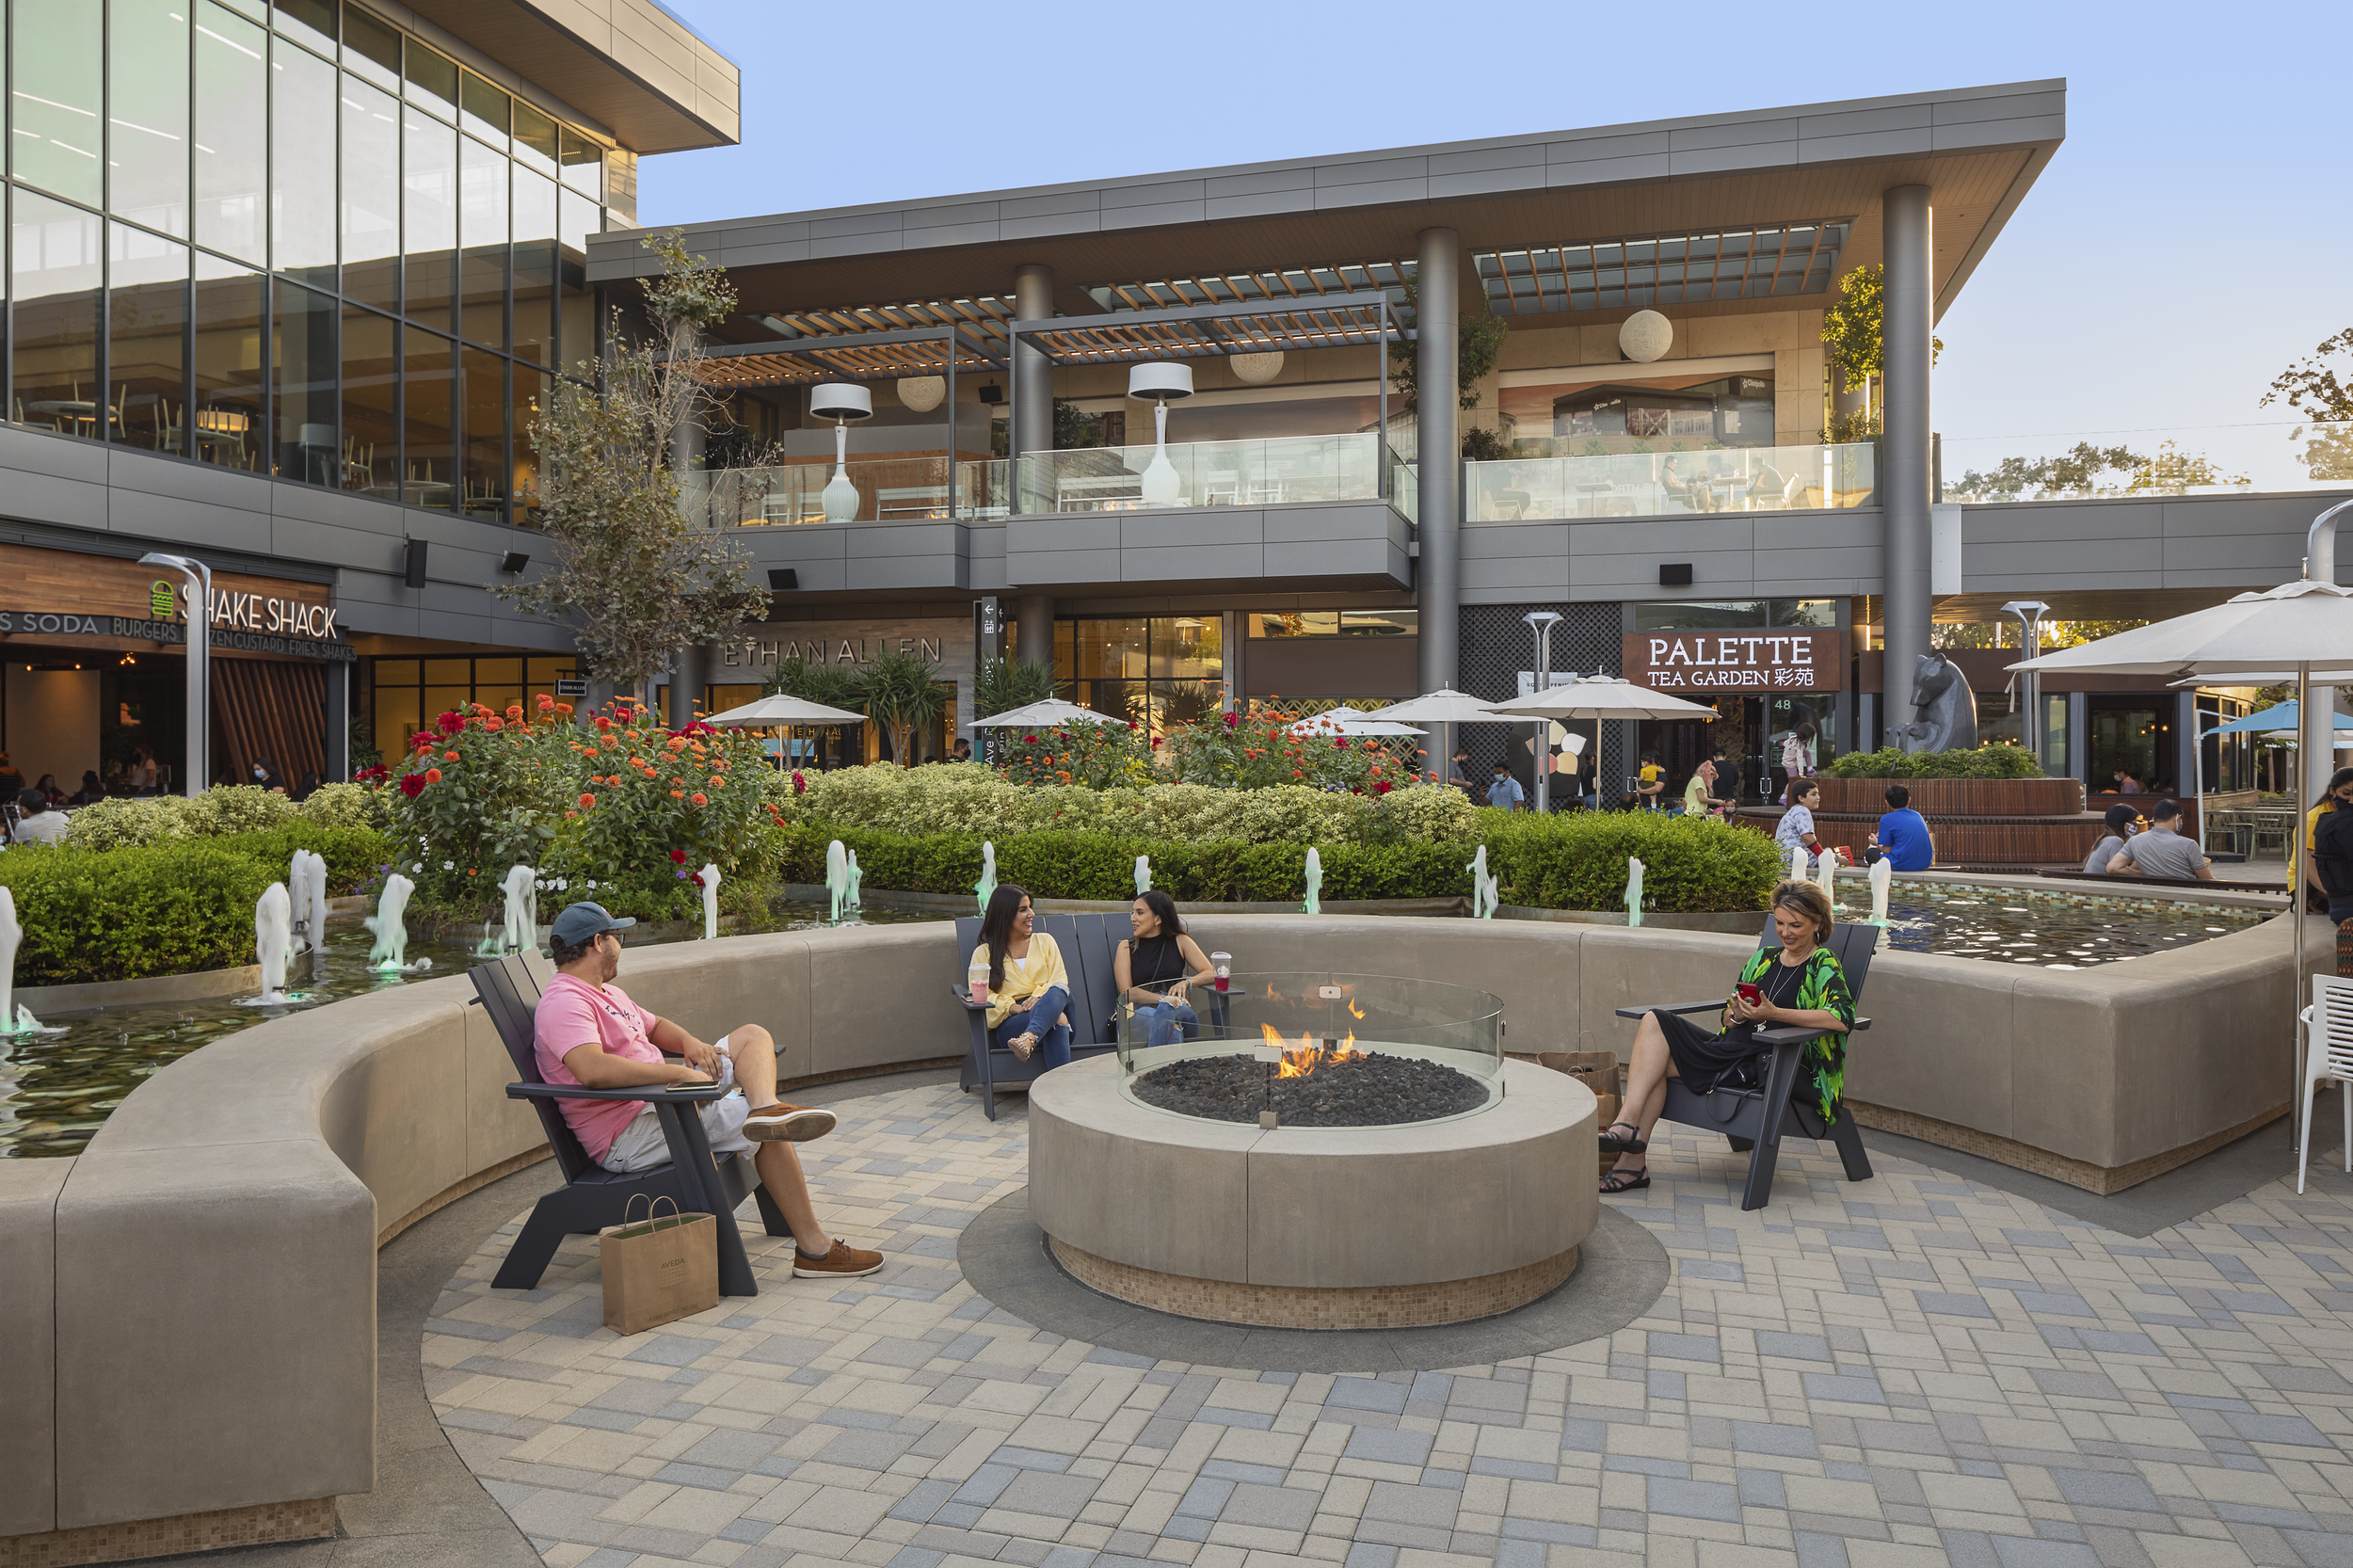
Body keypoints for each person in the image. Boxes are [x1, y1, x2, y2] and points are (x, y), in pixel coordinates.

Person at [532, 900, 882, 1279]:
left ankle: (766, 1106)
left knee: (751, 1037)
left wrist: (691, 1045)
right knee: (764, 1130)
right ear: (599, 942)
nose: (622, 945)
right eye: (618, 936)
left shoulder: (605, 993)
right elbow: (591, 1070)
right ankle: (815, 1251)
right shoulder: (565, 1002)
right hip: (633, 1129)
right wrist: (676, 1076)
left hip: (662, 1102)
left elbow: (653, 1026)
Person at [1600, 880, 1854, 1193]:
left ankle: (1630, 1156)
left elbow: (1841, 1018)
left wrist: (1774, 1014)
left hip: (1766, 1063)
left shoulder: (1822, 964)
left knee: (1653, 1071)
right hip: (1728, 1048)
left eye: (1796, 925)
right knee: (1655, 1019)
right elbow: (1727, 1018)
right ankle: (1626, 1129)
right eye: (1779, 923)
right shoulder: (1763, 959)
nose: (1785, 932)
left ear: (1817, 923)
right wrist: (1737, 1013)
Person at [970, 885, 1073, 1066]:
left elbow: (1060, 980)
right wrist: (1012, 1007)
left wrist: (1039, 997)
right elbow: (981, 996)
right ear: (1005, 914)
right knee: (1057, 1018)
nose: (1031, 914)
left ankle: (1029, 1038)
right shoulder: (984, 954)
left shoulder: (1045, 941)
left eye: (1030, 907)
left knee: (1060, 990)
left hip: (1052, 1004)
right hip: (1014, 1023)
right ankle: (1060, 1091)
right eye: (1023, 910)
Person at [1113, 890, 1214, 1049]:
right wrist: (1164, 1000)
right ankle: (1169, 1072)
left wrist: (1186, 982)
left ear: (1158, 918)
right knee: (1170, 1024)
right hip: (1141, 1015)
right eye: (1133, 912)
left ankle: (1153, 1071)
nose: (1133, 918)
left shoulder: (1180, 941)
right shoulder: (1126, 947)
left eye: (1139, 913)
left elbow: (1211, 972)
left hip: (1182, 1013)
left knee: (1169, 1013)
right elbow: (1127, 993)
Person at [2106, 799, 2214, 881]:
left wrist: (2145, 875)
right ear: (2177, 818)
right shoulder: (2189, 844)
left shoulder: (2135, 841)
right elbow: (2208, 881)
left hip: (2152, 897)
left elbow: (2112, 867)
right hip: (2187, 897)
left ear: (2154, 820)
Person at [2303, 767, 2353, 906]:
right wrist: (2331, 894)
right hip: (2310, 885)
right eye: (2346, 793)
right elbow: (2308, 865)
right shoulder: (2314, 820)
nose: (2351, 800)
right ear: (2332, 790)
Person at [1871, 784, 1935, 872]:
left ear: (1887, 802)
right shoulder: (1917, 815)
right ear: (1909, 800)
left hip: (1901, 864)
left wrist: (1876, 842)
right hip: (1924, 863)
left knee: (1870, 853)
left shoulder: (1886, 819)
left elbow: (1886, 849)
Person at [1775, 778, 1824, 867]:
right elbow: (1808, 837)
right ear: (1801, 798)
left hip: (1785, 860)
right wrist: (1823, 857)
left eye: (1817, 794)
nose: (1818, 797)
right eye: (1814, 794)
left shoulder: (1792, 812)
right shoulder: (1802, 811)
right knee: (1842, 860)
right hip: (1798, 859)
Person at [2081, 803, 2141, 875]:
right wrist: (2142, 874)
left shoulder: (2103, 839)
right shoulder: (2115, 841)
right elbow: (2116, 870)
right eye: (2133, 823)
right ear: (2120, 822)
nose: (2135, 827)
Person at [1779, 722, 1816, 797]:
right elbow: (1800, 759)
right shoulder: (1798, 745)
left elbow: (1785, 743)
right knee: (1793, 780)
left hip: (1787, 760)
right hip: (1790, 764)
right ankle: (1784, 797)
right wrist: (1801, 774)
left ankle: (1810, 769)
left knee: (1807, 753)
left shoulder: (1793, 738)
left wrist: (1789, 750)